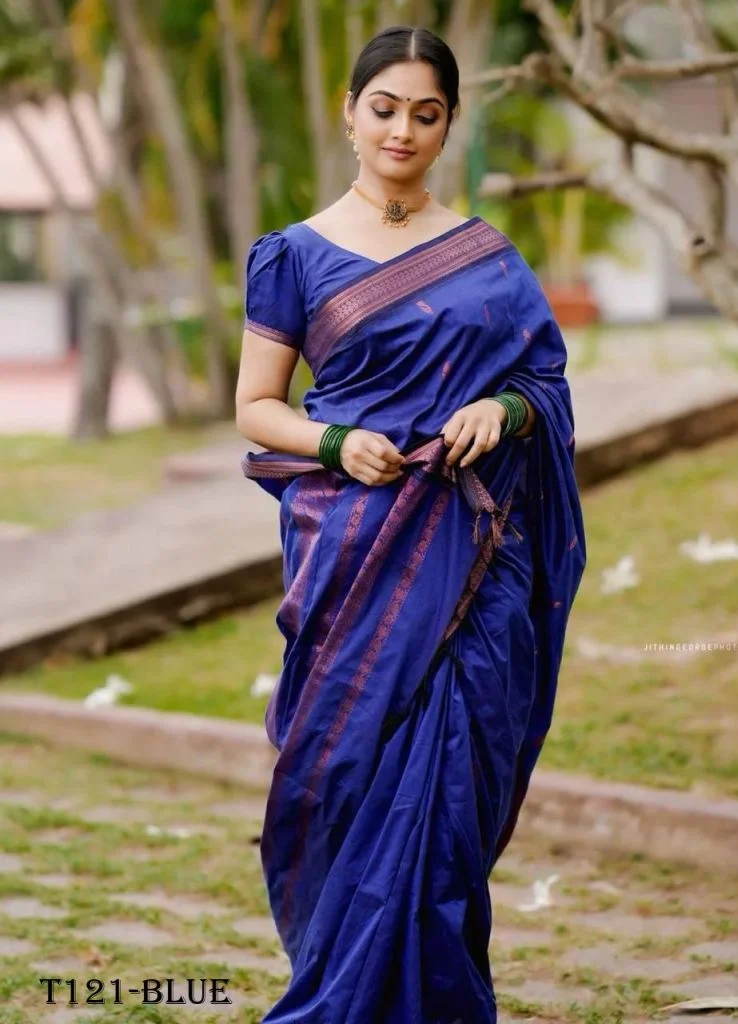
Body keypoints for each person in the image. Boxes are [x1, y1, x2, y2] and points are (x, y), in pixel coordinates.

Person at [235, 24, 586, 1024]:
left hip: (478, 559)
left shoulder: (485, 255)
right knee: (351, 779)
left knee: (450, 801)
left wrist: (506, 411)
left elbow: (541, 377)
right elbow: (257, 407)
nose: (402, 129)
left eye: (425, 114)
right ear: (350, 114)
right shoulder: (294, 256)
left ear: (447, 127)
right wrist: (337, 441)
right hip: (359, 554)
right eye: (383, 107)